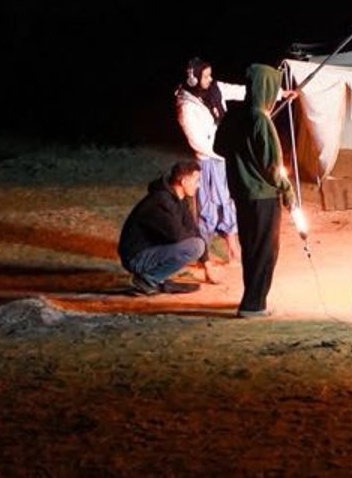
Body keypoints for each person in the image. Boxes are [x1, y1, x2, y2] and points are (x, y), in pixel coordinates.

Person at [212, 62, 297, 318]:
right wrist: (288, 191)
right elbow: (273, 165)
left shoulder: (235, 115)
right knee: (264, 251)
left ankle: (251, 298)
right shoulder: (261, 119)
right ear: (266, 88)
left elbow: (218, 147)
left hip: (242, 193)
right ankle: (253, 305)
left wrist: (243, 156)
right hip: (263, 196)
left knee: (250, 248)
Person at [174, 57, 244, 267]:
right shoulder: (186, 106)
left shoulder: (215, 89)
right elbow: (196, 141)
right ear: (193, 79)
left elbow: (242, 91)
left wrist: (277, 93)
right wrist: (220, 153)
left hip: (222, 157)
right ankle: (204, 257)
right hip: (206, 160)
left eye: (210, 75)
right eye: (205, 76)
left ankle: (233, 249)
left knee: (227, 201)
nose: (210, 79)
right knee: (207, 209)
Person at [117, 159, 207, 295]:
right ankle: (148, 279)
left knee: (196, 243)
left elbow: (193, 228)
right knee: (195, 246)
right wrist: (195, 239)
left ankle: (156, 278)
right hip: (136, 257)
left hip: (147, 251)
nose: (198, 185)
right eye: (196, 181)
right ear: (184, 182)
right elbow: (177, 235)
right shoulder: (162, 201)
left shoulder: (178, 199)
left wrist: (206, 262)